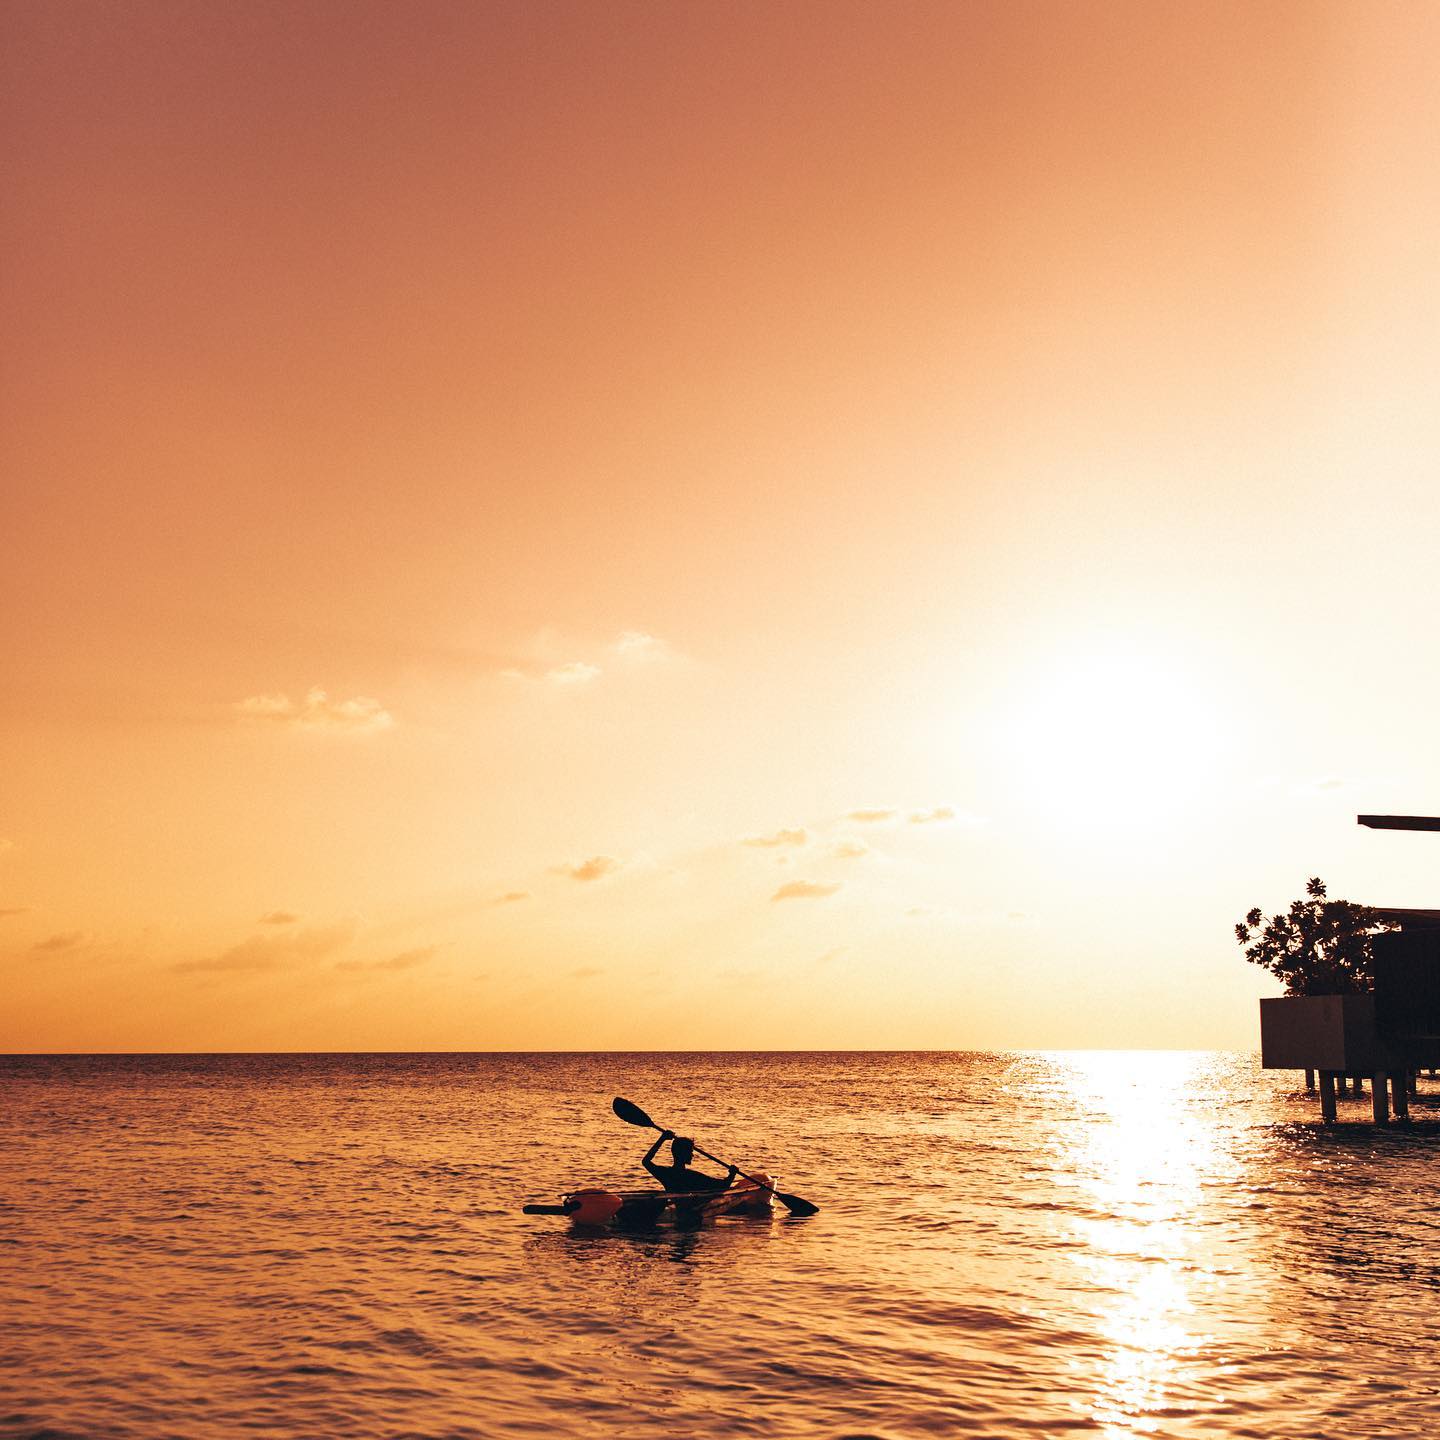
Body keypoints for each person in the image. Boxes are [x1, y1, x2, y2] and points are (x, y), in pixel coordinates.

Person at [642, 1130, 738, 1195]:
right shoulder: (692, 1176)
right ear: (683, 1154)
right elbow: (723, 1186)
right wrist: (732, 1174)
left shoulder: (666, 1174)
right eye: (690, 1152)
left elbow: (646, 1161)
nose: (692, 1155)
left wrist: (662, 1139)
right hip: (692, 1219)